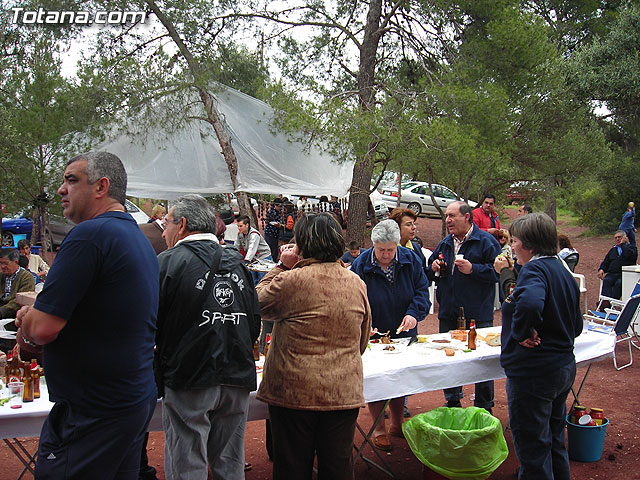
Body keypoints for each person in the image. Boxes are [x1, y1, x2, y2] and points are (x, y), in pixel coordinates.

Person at [14, 152, 158, 479]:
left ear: (101, 187)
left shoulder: (88, 236)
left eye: (72, 180)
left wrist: (26, 320)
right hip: (129, 401)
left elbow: (42, 328)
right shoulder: (137, 240)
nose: (62, 189)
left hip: (93, 412)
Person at [256, 213, 372, 479]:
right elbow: (362, 340)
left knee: (292, 467)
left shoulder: (292, 280)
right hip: (342, 392)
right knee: (337, 467)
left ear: (302, 245)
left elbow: (256, 302)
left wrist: (282, 267)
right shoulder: (357, 283)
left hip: (294, 393)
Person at [155, 194, 260, 480]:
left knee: (187, 461)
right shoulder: (237, 264)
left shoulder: (167, 263)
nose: (164, 232)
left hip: (189, 376)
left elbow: (150, 323)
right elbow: (254, 322)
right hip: (236, 374)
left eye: (166, 223)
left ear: (183, 225)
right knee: (230, 461)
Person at [495, 213, 582, 480]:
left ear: (530, 246)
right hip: (562, 366)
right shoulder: (561, 270)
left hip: (535, 373)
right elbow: (576, 325)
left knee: (533, 449)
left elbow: (531, 302)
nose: (513, 247)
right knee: (554, 440)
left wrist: (522, 332)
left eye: (516, 241)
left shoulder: (535, 269)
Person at [351, 220, 430, 451]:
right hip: (374, 331)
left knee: (401, 376)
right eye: (381, 250)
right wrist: (365, 321)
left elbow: (421, 292)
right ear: (373, 245)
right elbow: (354, 298)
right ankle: (378, 428)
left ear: (397, 245)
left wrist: (414, 314)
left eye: (390, 250)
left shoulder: (411, 259)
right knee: (377, 378)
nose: (385, 255)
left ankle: (397, 423)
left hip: (405, 328)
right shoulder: (361, 264)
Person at [427, 201, 501, 412]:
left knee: (483, 359)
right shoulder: (445, 243)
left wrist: (474, 269)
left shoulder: (486, 242)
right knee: (450, 356)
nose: (448, 220)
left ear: (467, 217)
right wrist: (433, 268)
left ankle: (484, 406)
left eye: (452, 216)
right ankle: (452, 400)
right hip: (449, 311)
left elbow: (499, 272)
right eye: (447, 216)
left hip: (477, 312)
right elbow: (429, 271)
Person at [597, 230, 638, 300]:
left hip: (624, 275)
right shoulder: (613, 250)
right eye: (615, 238)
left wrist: (623, 245)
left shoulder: (632, 248)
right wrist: (602, 269)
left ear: (625, 238)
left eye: (619, 237)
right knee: (607, 281)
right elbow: (606, 262)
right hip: (612, 274)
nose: (617, 239)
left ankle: (613, 302)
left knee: (619, 283)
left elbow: (630, 256)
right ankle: (605, 302)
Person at [1, 247, 36, 326]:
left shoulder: (27, 277)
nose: (2, 266)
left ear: (16, 262)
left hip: (15, 316)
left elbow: (19, 301)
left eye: (5, 263)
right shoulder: (1, 275)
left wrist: (1, 312)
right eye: (0, 263)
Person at [389, 207, 428, 271]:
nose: (414, 227)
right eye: (408, 225)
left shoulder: (416, 248)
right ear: (396, 227)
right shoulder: (388, 249)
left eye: (414, 224)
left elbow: (423, 273)